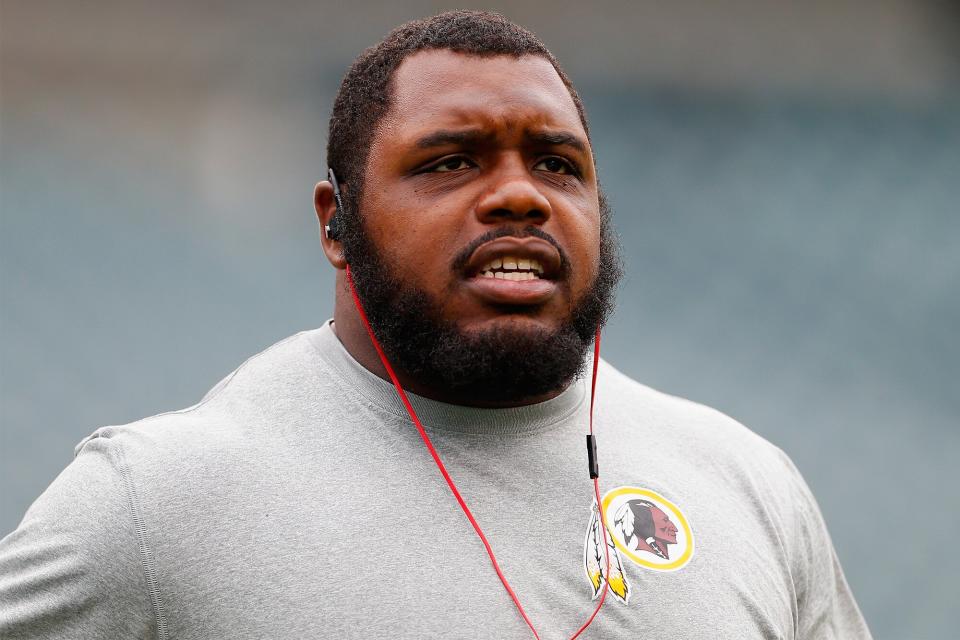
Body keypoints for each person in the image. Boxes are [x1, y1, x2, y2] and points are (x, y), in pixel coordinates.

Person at [0, 11, 872, 639]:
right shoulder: (158, 503)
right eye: (451, 161)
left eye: (557, 164)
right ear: (334, 224)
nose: (520, 194)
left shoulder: (750, 483)